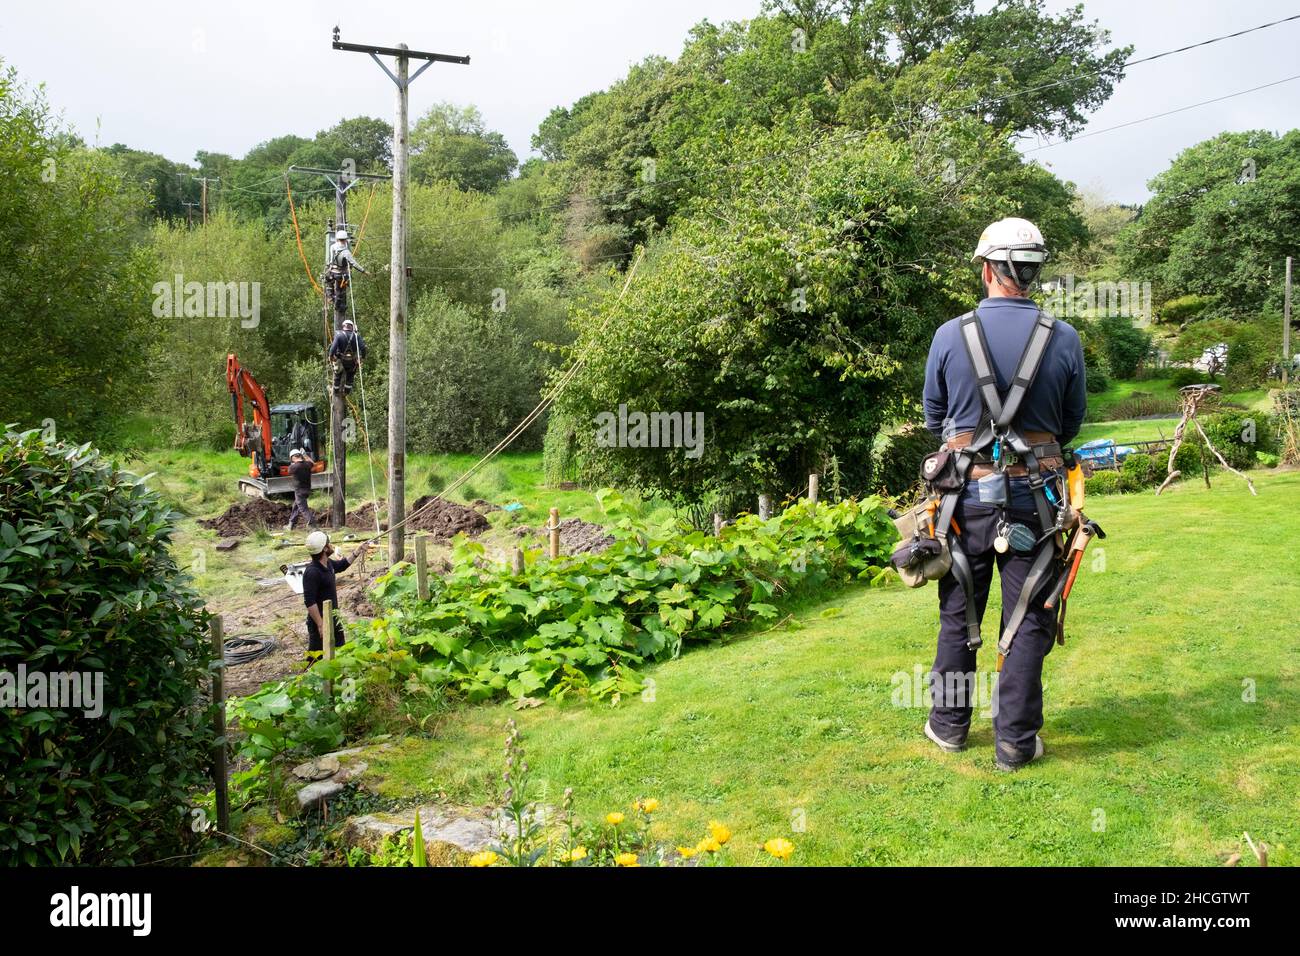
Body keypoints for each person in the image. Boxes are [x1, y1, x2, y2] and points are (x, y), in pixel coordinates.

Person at [921, 217, 1087, 771]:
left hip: (963, 500)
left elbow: (935, 418)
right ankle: (1015, 742)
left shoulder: (950, 334)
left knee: (957, 612)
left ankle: (948, 728)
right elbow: (1069, 424)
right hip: (1035, 500)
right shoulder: (1062, 338)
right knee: (1030, 614)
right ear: (1032, 271)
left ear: (989, 267)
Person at [301, 531, 374, 661]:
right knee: (315, 658)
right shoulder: (312, 572)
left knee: (340, 651)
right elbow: (309, 602)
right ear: (324, 548)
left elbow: (341, 565)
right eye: (328, 543)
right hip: (320, 621)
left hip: (334, 616)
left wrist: (357, 551)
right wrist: (320, 624)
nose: (331, 545)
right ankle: (308, 678)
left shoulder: (327, 563)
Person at [325, 228, 367, 326]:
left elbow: (331, 260)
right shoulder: (346, 252)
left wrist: (329, 268)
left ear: (337, 239)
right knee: (341, 291)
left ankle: (330, 296)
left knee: (328, 281)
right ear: (345, 240)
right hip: (341, 274)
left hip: (332, 272)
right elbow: (354, 263)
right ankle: (338, 305)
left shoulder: (333, 247)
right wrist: (363, 271)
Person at [328, 318, 367, 394]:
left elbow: (333, 348)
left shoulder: (339, 334)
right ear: (352, 327)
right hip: (352, 361)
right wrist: (362, 358)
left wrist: (331, 356)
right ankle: (346, 392)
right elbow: (363, 348)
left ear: (343, 326)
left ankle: (335, 391)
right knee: (350, 376)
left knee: (337, 375)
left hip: (340, 359)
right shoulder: (356, 336)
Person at [285, 449, 317, 531]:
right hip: (307, 490)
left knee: (303, 509)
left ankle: (313, 525)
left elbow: (289, 470)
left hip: (299, 491)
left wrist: (293, 463)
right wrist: (305, 455)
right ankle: (291, 524)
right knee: (296, 506)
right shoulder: (307, 464)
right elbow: (313, 463)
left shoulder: (293, 467)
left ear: (292, 458)